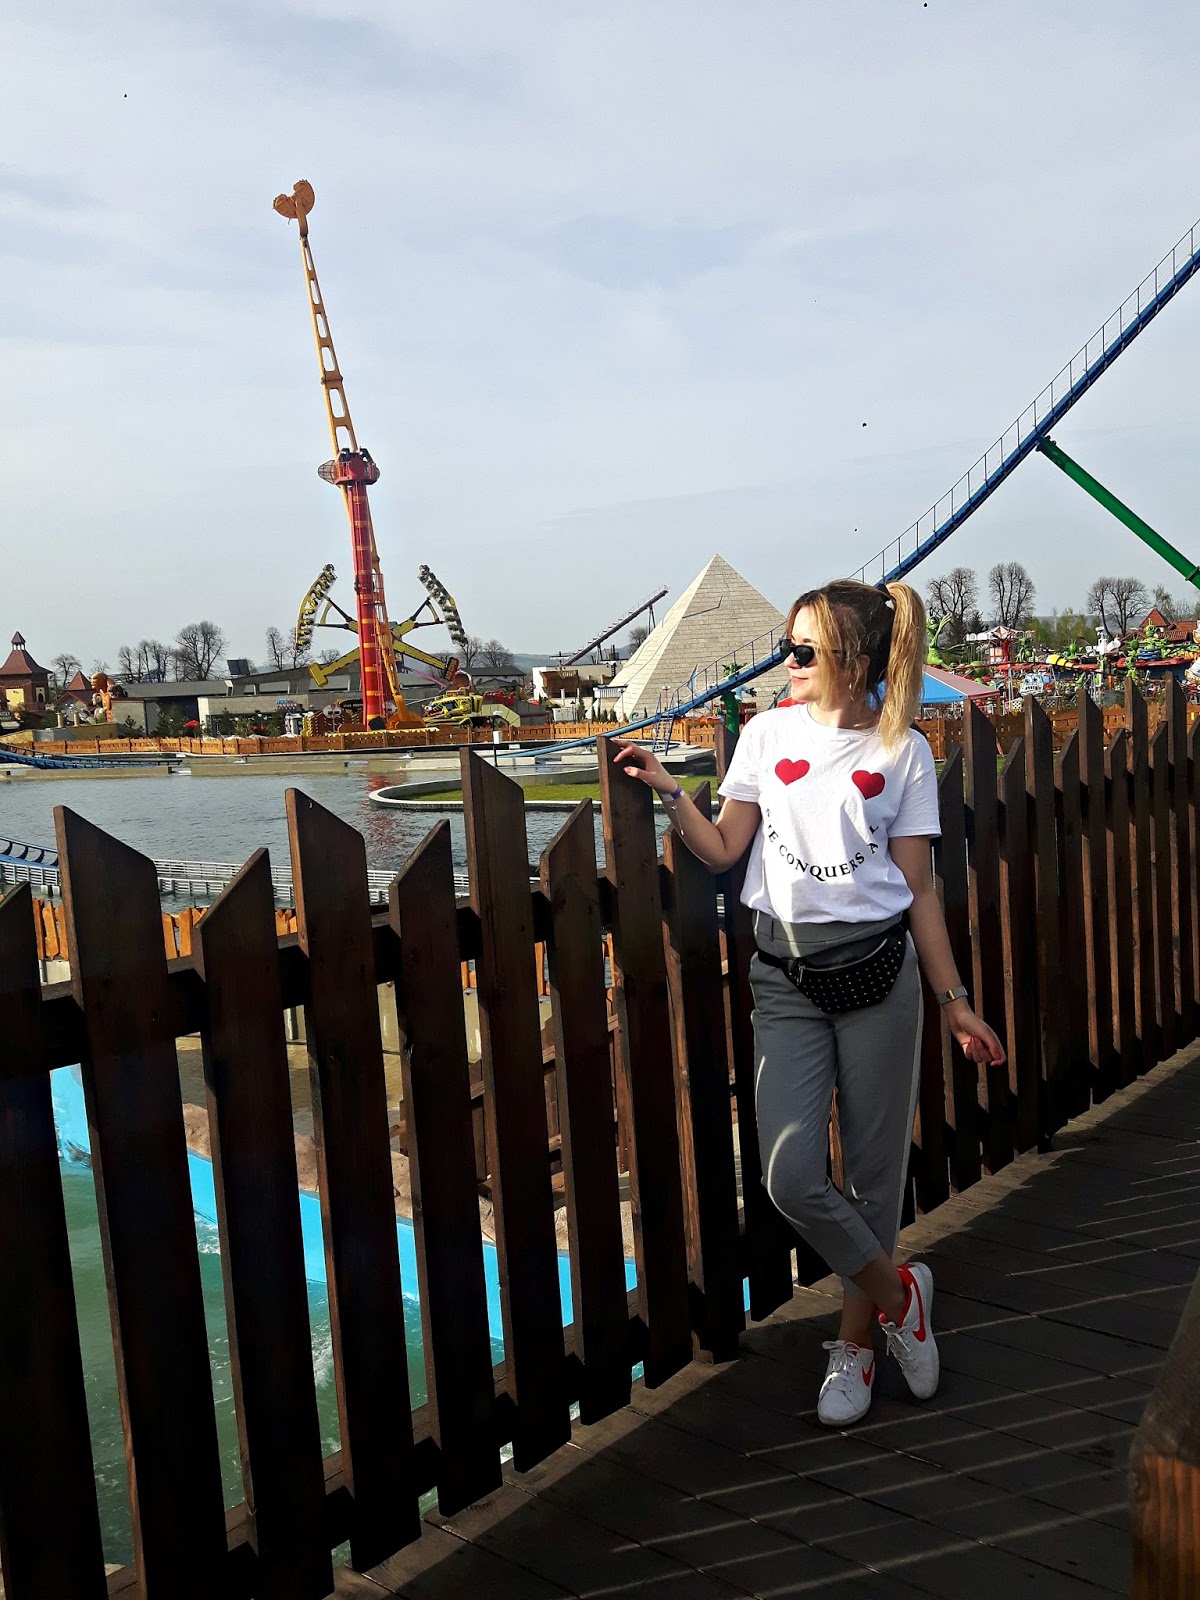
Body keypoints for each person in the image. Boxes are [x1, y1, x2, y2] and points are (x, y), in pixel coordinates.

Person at [616, 578, 1004, 1427]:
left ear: (853, 661)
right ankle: (903, 1297)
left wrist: (955, 1002)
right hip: (784, 978)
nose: (784, 663)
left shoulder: (903, 751)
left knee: (872, 1181)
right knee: (790, 1175)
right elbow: (726, 849)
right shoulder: (766, 735)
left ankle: (856, 1347)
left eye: (800, 651)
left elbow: (919, 888)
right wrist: (670, 791)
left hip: (879, 978)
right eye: (785, 649)